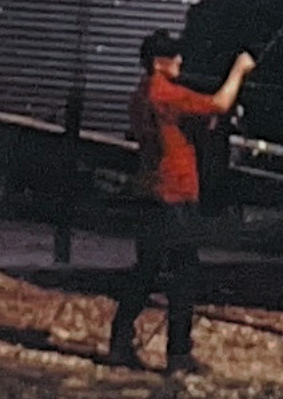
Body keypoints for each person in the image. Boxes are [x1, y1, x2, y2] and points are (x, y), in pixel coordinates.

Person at [107, 31, 255, 374]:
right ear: (160, 62)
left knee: (145, 271)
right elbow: (218, 103)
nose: (181, 62)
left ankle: (119, 341)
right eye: (175, 57)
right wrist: (239, 70)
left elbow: (187, 123)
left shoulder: (142, 95)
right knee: (184, 273)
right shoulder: (165, 94)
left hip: (150, 192)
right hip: (174, 194)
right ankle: (178, 354)